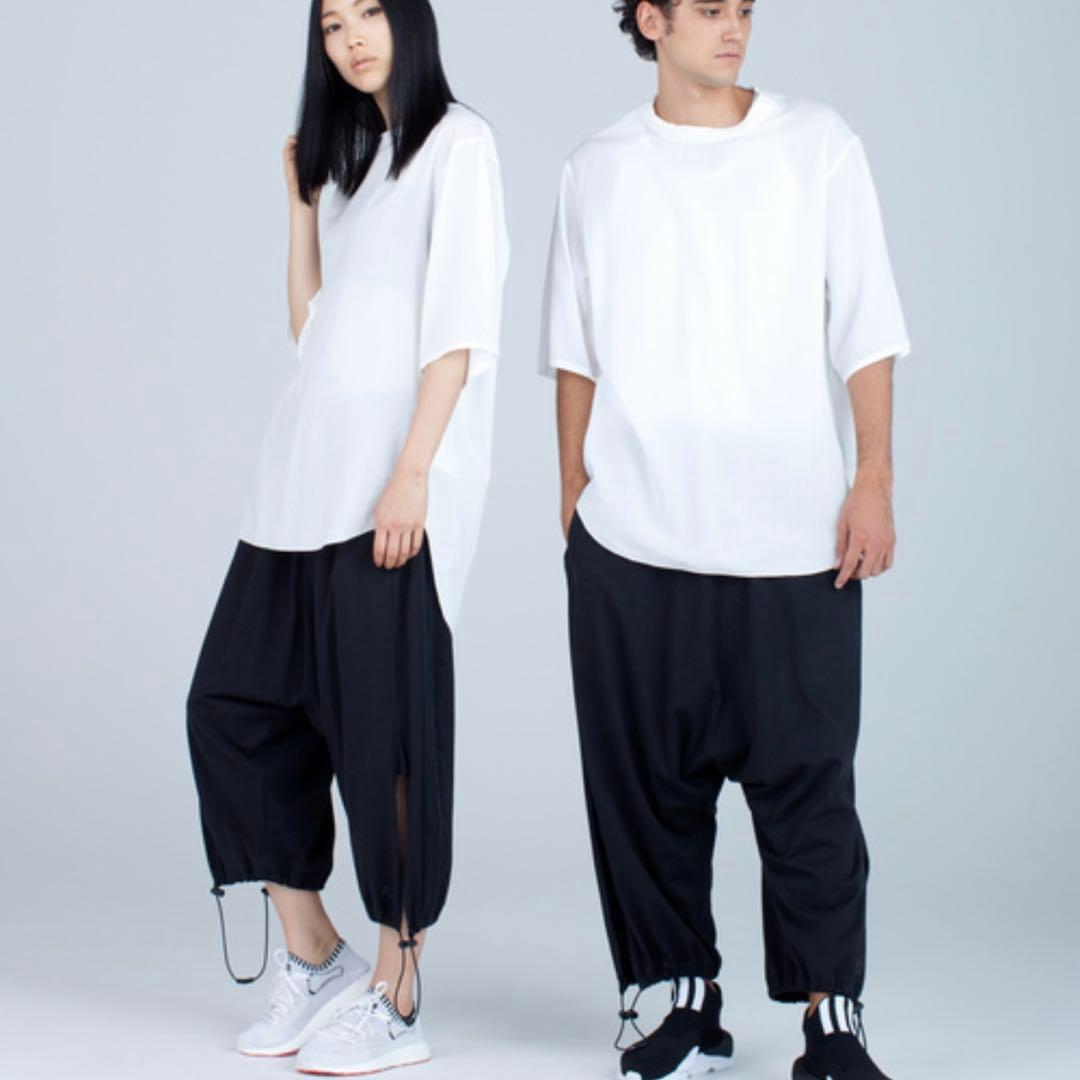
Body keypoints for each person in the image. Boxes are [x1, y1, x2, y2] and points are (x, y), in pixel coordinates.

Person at [539, 2, 910, 1079]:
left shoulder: (817, 144)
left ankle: (831, 1020)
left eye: (745, 8)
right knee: (645, 787)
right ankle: (676, 998)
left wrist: (873, 477)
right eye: (709, 9)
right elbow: (574, 346)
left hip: (793, 538)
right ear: (649, 19)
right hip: (634, 540)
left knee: (810, 786)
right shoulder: (597, 169)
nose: (735, 27)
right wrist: (572, 500)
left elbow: (867, 324)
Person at [185, 1, 509, 1075]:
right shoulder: (360, 170)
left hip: (388, 497)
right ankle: (315, 954)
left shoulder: (460, 147)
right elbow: (312, 332)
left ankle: (397, 991)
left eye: (371, 11)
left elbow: (459, 331)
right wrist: (302, 208)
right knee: (233, 707)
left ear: (410, 20)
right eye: (332, 24)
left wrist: (413, 474)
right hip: (296, 490)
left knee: (389, 739)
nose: (354, 36)